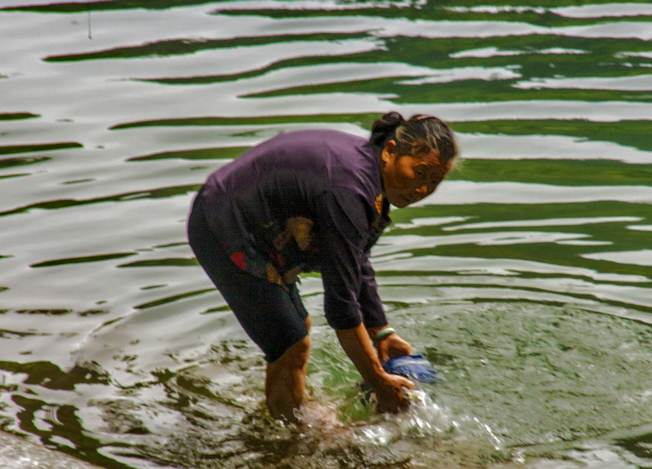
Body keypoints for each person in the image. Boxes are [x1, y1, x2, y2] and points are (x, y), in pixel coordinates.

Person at [186, 112, 458, 423]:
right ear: (391, 151)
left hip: (255, 226)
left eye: (433, 181)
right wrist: (379, 383)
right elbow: (342, 310)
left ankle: (286, 415)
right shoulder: (349, 191)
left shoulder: (370, 182)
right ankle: (291, 435)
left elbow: (355, 258)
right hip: (223, 224)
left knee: (297, 330)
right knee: (291, 341)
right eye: (419, 172)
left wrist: (382, 331)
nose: (422, 190)